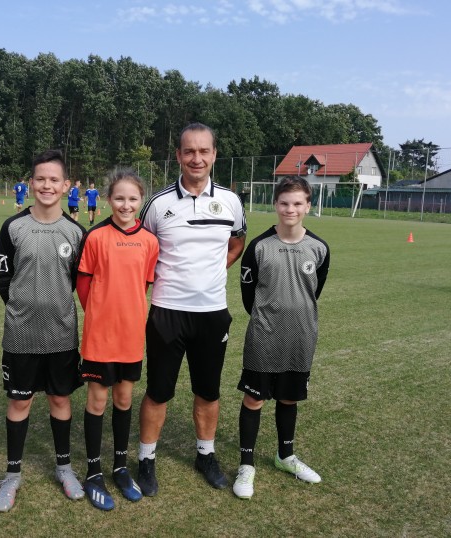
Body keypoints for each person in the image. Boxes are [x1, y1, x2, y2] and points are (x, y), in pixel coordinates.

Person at [136, 122, 247, 496]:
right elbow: (142, 251)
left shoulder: (231, 202)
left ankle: (205, 455)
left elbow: (237, 242)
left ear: (214, 154)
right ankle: (146, 460)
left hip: (213, 313)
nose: (196, 158)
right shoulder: (158, 204)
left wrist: (213, 272)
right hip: (167, 311)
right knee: (158, 391)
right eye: (189, 151)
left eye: (203, 151)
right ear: (178, 155)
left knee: (208, 391)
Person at [0, 149, 87, 512]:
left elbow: (80, 282)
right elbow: (3, 279)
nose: (47, 185)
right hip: (21, 335)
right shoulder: (12, 227)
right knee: (20, 400)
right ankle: (11, 475)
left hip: (61, 334)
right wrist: (21, 309)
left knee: (60, 399)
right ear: (31, 183)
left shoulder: (76, 232)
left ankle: (64, 468)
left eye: (54, 180)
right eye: (40, 179)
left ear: (66, 186)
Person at [233, 176, 330, 500]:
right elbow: (248, 295)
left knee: (289, 398)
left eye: (298, 203)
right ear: (275, 204)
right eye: (285, 203)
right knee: (254, 399)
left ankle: (285, 456)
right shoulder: (259, 246)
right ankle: (246, 464)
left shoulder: (319, 248)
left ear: (308, 206)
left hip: (300, 336)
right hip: (264, 335)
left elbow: (314, 290)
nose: (291, 209)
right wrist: (267, 318)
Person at [76, 167, 159, 511]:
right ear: (109, 199)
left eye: (133, 199)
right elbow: (83, 284)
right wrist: (101, 314)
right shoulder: (96, 236)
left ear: (141, 201)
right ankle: (94, 471)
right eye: (120, 198)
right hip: (100, 336)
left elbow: (144, 285)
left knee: (124, 399)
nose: (126, 205)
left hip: (131, 336)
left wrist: (127, 314)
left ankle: (121, 467)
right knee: (97, 401)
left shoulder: (150, 241)